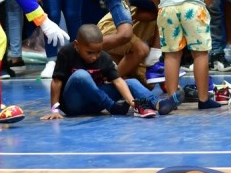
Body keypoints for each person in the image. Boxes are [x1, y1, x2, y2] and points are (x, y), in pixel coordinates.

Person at [40, 24, 178, 119]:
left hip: (95, 103)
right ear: (77, 45)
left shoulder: (103, 57)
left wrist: (132, 102)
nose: (94, 57)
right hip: (74, 104)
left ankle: (158, 104)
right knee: (81, 75)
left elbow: (118, 81)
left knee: (130, 82)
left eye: (98, 51)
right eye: (89, 52)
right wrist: (54, 110)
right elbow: (56, 82)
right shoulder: (67, 53)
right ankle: (112, 107)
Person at [148, 0, 220, 110]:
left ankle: (172, 99)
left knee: (171, 55)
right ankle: (203, 99)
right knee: (200, 53)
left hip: (168, 8)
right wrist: (201, 7)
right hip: (194, 8)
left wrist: (159, 6)